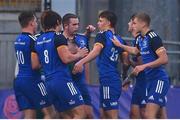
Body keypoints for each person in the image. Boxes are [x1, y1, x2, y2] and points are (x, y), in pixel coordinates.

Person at [112, 12, 169, 119]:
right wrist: (120, 46)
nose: (132, 25)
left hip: (158, 80)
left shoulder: (153, 37)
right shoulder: (140, 39)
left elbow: (164, 59)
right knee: (159, 115)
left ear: (143, 24)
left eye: (134, 23)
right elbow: (135, 50)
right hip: (149, 81)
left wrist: (144, 66)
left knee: (149, 115)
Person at [73, 10, 129, 119]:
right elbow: (126, 62)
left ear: (108, 23)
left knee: (110, 114)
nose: (98, 23)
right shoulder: (120, 40)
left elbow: (96, 51)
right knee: (103, 114)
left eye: (100, 21)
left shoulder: (102, 34)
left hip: (108, 79)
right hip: (113, 79)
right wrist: (125, 77)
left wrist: (81, 62)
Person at [33, 10, 88, 119]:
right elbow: (66, 58)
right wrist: (79, 54)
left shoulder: (38, 40)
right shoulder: (58, 37)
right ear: (58, 22)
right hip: (62, 80)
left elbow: (36, 64)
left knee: (65, 115)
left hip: (48, 83)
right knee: (80, 112)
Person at [14, 11, 55, 119]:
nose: (37, 24)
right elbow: (35, 65)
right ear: (32, 23)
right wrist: (47, 61)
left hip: (19, 81)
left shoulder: (17, 40)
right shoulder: (32, 40)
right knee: (50, 114)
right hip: (32, 80)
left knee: (29, 115)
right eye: (36, 22)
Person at [62, 13, 95, 118]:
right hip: (67, 81)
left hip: (81, 82)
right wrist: (75, 55)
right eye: (74, 25)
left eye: (78, 24)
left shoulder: (82, 38)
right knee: (70, 114)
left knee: (89, 114)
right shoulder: (59, 40)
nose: (77, 27)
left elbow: (86, 58)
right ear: (66, 25)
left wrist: (87, 80)